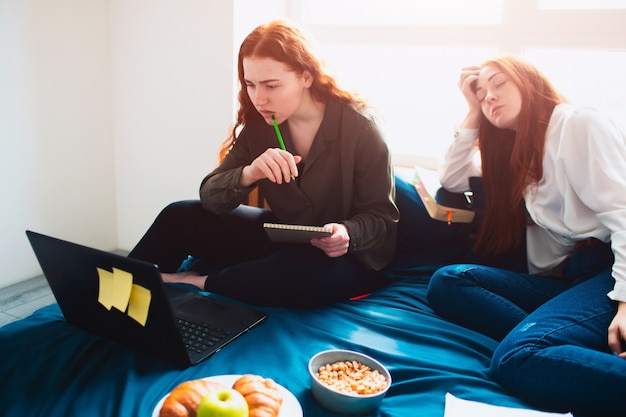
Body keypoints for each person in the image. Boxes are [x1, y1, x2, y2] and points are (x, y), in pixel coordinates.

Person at [128, 20, 399, 308]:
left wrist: (346, 233)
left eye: (271, 85)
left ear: (306, 77)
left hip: (344, 256)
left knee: (306, 269)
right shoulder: (260, 127)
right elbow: (211, 197)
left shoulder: (362, 128)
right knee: (179, 215)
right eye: (250, 84)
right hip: (287, 235)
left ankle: (196, 281)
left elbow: (381, 218)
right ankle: (114, 287)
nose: (258, 98)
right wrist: (249, 173)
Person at [426, 55, 626, 416]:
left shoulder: (577, 123)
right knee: (449, 282)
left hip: (610, 270)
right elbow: (452, 180)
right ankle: (568, 340)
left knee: (519, 358)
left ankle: (548, 343)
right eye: (481, 92)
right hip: (570, 278)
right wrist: (471, 112)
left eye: (499, 83)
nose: (489, 96)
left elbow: (624, 213)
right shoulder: (517, 153)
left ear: (529, 81)